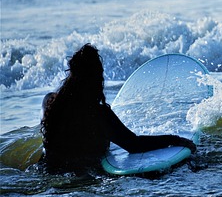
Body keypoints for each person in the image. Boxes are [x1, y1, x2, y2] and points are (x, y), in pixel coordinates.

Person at [40, 44, 196, 172]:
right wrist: (175, 139)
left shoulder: (51, 104)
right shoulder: (98, 115)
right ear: (97, 78)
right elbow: (134, 145)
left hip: (49, 170)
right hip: (84, 174)